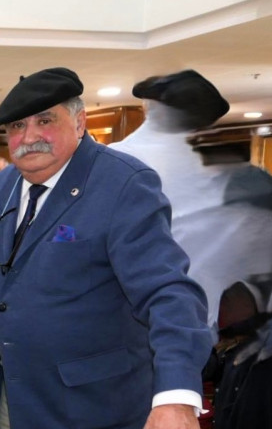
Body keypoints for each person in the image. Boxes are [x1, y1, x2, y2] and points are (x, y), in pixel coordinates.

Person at [0, 67, 213, 429]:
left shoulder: (123, 183)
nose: (30, 137)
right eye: (17, 127)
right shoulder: (3, 187)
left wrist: (177, 397)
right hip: (19, 413)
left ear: (80, 121)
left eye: (45, 121)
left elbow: (169, 292)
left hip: (96, 420)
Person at [109, 69, 272, 327]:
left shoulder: (105, 163)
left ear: (147, 109)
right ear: (205, 122)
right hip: (204, 327)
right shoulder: (247, 178)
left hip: (124, 327)